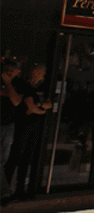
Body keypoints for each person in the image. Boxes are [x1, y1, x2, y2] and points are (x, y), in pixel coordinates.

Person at [4, 63, 50, 200]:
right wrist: (40, 110)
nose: (43, 75)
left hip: (32, 126)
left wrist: (39, 107)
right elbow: (30, 106)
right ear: (35, 73)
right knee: (15, 157)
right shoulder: (26, 87)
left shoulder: (38, 89)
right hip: (22, 125)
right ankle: (6, 190)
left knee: (26, 158)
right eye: (42, 72)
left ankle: (20, 189)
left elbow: (48, 104)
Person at [1, 61, 22, 199]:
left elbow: (16, 101)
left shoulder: (19, 84)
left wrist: (8, 84)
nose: (9, 72)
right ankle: (4, 192)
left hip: (7, 125)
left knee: (2, 159)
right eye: (7, 69)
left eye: (12, 70)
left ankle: (4, 192)